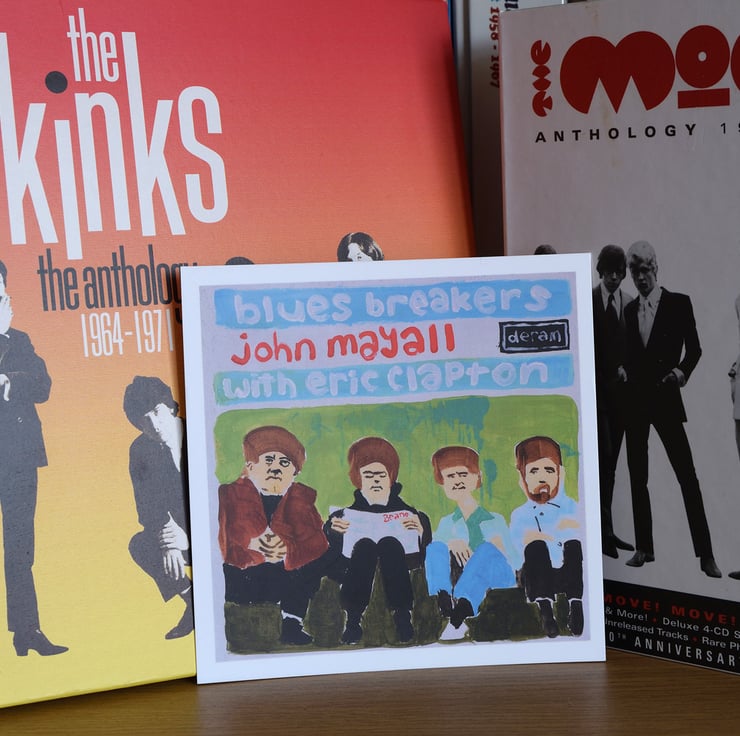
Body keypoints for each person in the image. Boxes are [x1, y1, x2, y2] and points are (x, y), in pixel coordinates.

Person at [621, 241, 721, 578]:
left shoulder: (679, 303)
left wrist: (679, 373)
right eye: (634, 272)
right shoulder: (629, 311)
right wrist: (622, 369)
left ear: (655, 268)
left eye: (645, 270)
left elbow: (695, 350)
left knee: (687, 476)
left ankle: (706, 555)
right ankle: (643, 548)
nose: (640, 277)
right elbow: (629, 355)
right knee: (638, 477)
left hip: (665, 399)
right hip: (636, 403)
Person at [0, 261, 67, 657]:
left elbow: (43, 386)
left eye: (2, 294)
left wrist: (10, 379)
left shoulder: (19, 340)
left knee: (21, 547)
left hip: (18, 458)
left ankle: (27, 631)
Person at [217, 426, 328, 645]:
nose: (276, 468)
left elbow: (319, 542)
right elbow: (217, 535)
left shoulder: (301, 499)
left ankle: (292, 623)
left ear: (294, 473)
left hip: (284, 576)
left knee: (315, 561)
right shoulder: (228, 495)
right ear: (250, 466)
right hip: (242, 574)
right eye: (268, 460)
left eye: (284, 463)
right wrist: (250, 546)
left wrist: (289, 550)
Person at [324, 436, 431, 644]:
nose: (375, 480)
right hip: (358, 558)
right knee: (364, 546)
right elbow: (332, 547)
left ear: (391, 477)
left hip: (398, 557)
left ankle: (402, 616)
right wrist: (332, 530)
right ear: (358, 478)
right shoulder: (344, 515)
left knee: (389, 544)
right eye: (368, 475)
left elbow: (424, 546)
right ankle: (353, 620)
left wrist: (421, 530)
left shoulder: (409, 513)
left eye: (381, 475)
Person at [124, 376, 194, 639]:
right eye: (144, 420)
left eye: (156, 412)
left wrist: (189, 538)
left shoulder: (199, 430)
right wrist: (169, 541)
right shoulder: (140, 450)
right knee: (140, 545)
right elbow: (146, 507)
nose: (153, 424)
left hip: (220, 531)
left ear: (170, 407)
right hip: (178, 535)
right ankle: (192, 601)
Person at [424, 446, 516, 640]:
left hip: (497, 575)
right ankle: (444, 601)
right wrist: (451, 543)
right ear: (442, 483)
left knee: (487, 549)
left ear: (477, 477)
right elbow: (436, 557)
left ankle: (459, 615)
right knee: (435, 547)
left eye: (463, 474)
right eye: (450, 476)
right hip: (462, 576)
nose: (457, 481)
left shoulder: (496, 520)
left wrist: (498, 549)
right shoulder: (447, 523)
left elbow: (515, 562)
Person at [509, 436, 584, 638]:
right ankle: (546, 612)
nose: (542, 477)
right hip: (536, 575)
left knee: (574, 544)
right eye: (534, 471)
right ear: (523, 478)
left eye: (549, 470)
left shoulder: (571, 507)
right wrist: (534, 539)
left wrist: (567, 532)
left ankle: (576, 605)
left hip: (563, 573)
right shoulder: (520, 514)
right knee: (535, 546)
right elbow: (515, 552)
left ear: (560, 473)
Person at [592, 245, 635, 558]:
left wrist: (627, 369)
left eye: (619, 273)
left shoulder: (629, 304)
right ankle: (602, 534)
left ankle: (607, 532)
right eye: (609, 272)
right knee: (602, 462)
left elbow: (634, 350)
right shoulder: (588, 299)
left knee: (611, 468)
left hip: (620, 400)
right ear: (601, 271)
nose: (614, 278)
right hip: (597, 398)